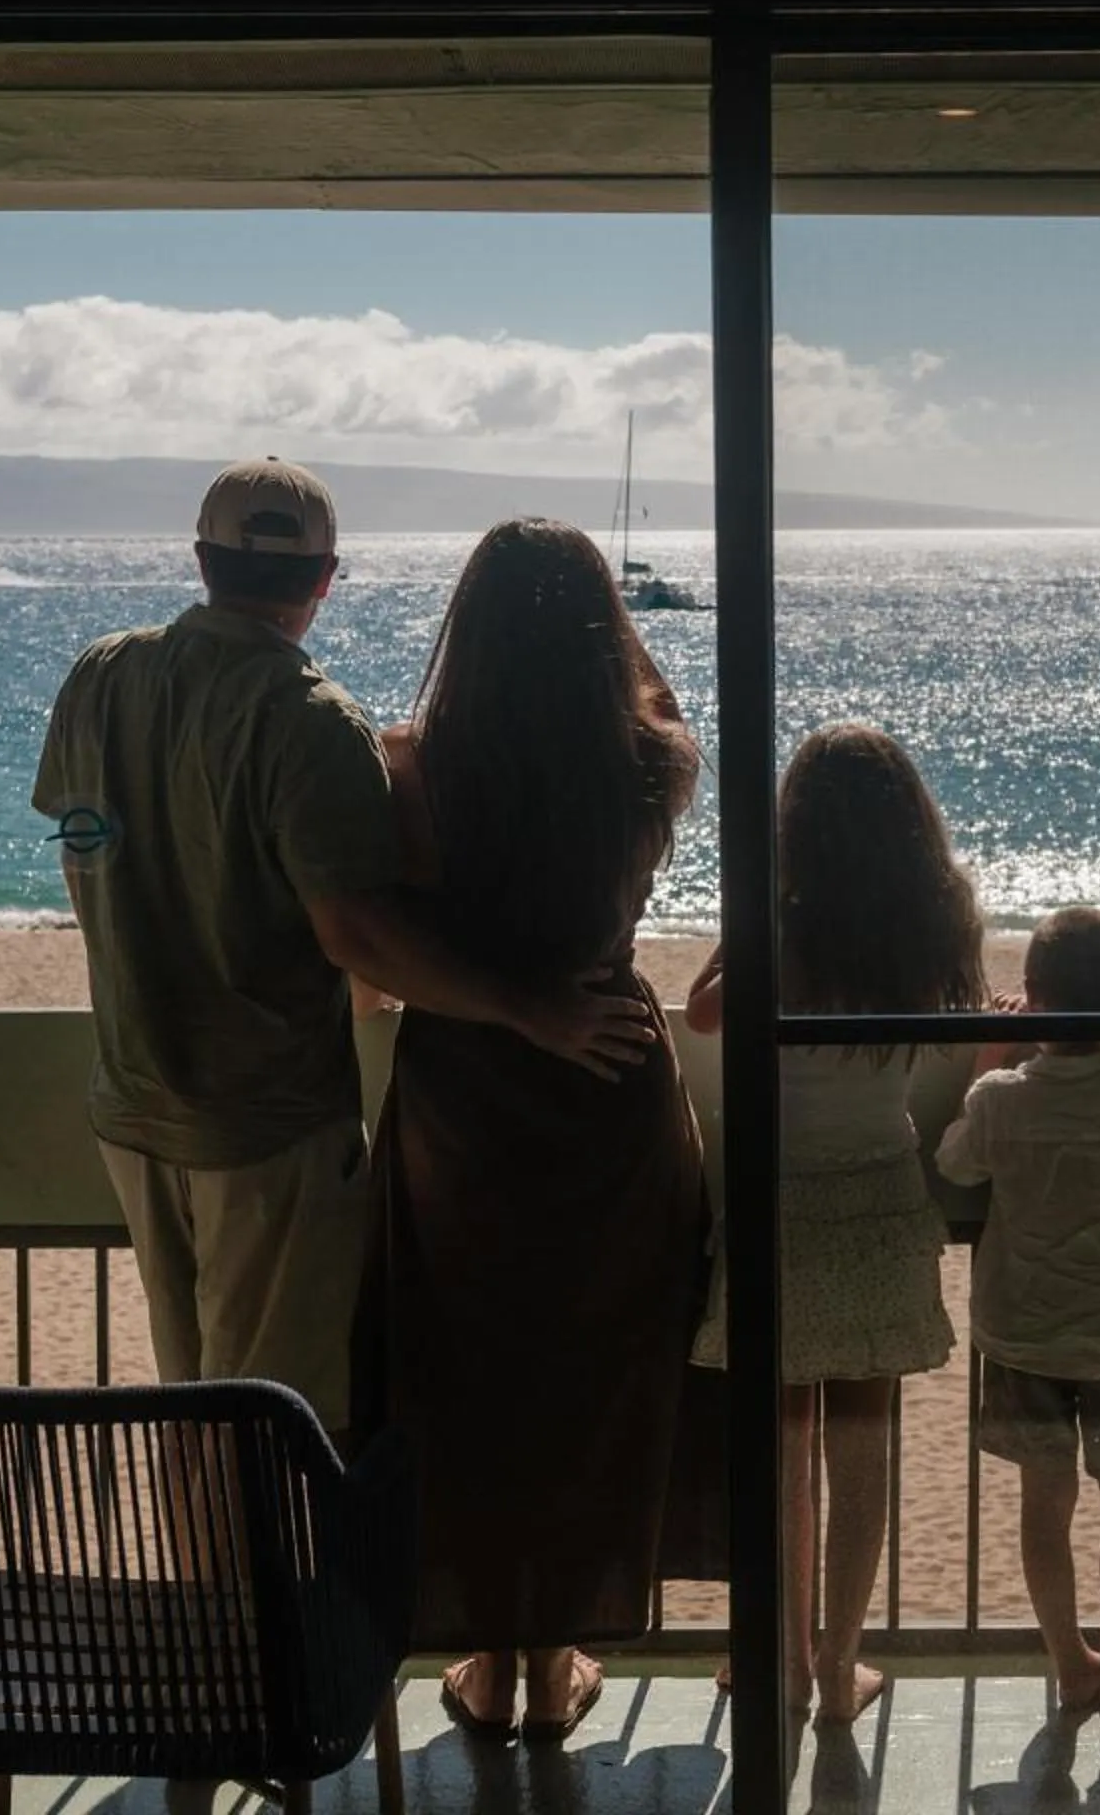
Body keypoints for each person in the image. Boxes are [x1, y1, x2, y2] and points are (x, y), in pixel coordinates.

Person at [32, 461, 649, 1446]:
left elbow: (86, 844)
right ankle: (265, 1604)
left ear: (201, 560)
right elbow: (357, 935)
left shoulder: (102, 675)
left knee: (186, 1408)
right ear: (325, 577)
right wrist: (529, 1008)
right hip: (268, 1123)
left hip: (132, 1100)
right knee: (274, 1424)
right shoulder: (313, 720)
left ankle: (210, 1597)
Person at [359, 517, 710, 1744]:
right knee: (591, 1370)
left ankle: (494, 1656)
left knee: (468, 1370)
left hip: (466, 1103)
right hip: (611, 1083)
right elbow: (660, 711)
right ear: (607, 627)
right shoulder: (658, 761)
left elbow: (383, 956)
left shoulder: (411, 767)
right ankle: (559, 1656)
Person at [685, 722, 980, 1721]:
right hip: (883, 1188)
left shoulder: (784, 922)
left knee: (783, 1442)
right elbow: (961, 1017)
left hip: (785, 1196)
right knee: (863, 1440)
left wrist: (755, 908)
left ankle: (776, 1648)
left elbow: (707, 1010)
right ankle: (839, 1663)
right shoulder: (933, 917)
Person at [937, 905, 1100, 1715]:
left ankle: (1068, 1664)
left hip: (1020, 1334)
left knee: (1044, 1507)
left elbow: (956, 1164)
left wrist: (989, 1054)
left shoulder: (1003, 1100)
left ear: (1033, 999)